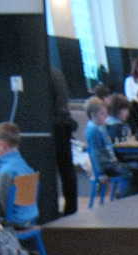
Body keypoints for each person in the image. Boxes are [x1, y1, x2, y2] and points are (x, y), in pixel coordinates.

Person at [84, 96, 138, 195]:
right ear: (93, 115)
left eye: (106, 114)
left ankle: (128, 195)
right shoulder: (94, 131)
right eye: (103, 114)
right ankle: (125, 197)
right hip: (108, 166)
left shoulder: (99, 127)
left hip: (111, 163)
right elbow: (95, 154)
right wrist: (101, 173)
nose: (106, 117)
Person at [0, 121, 37, 227]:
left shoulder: (6, 172)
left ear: (2, 145)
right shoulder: (26, 167)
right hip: (28, 219)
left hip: (11, 221)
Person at [49, 65, 79, 217]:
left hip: (54, 126)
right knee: (67, 169)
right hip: (64, 125)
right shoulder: (56, 72)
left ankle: (51, 210)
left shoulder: (43, 74)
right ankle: (71, 208)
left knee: (52, 169)